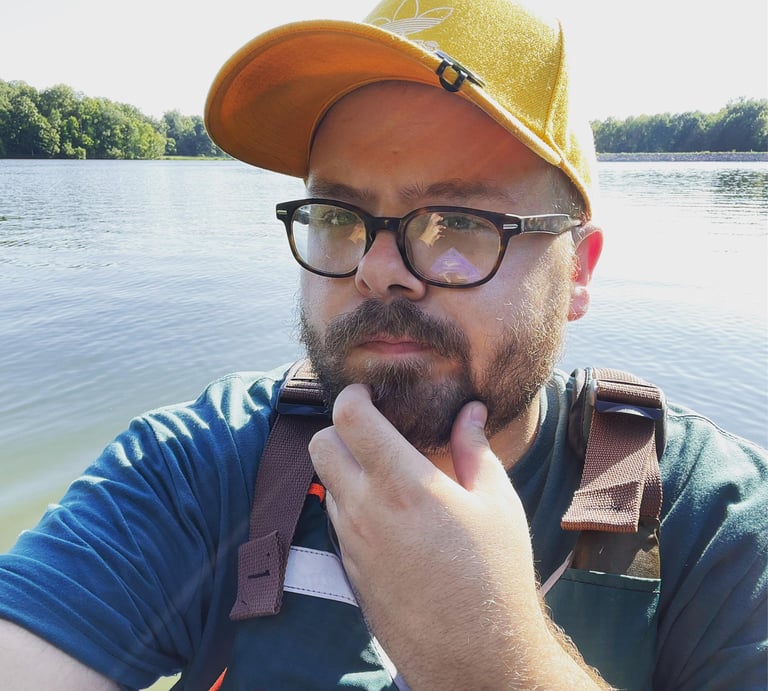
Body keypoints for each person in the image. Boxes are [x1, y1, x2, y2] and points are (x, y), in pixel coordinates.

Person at [1, 0, 766, 688]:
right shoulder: (206, 467)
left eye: (457, 220)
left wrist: (496, 663)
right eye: (338, 214)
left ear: (577, 274)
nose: (376, 270)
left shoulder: (718, 522)